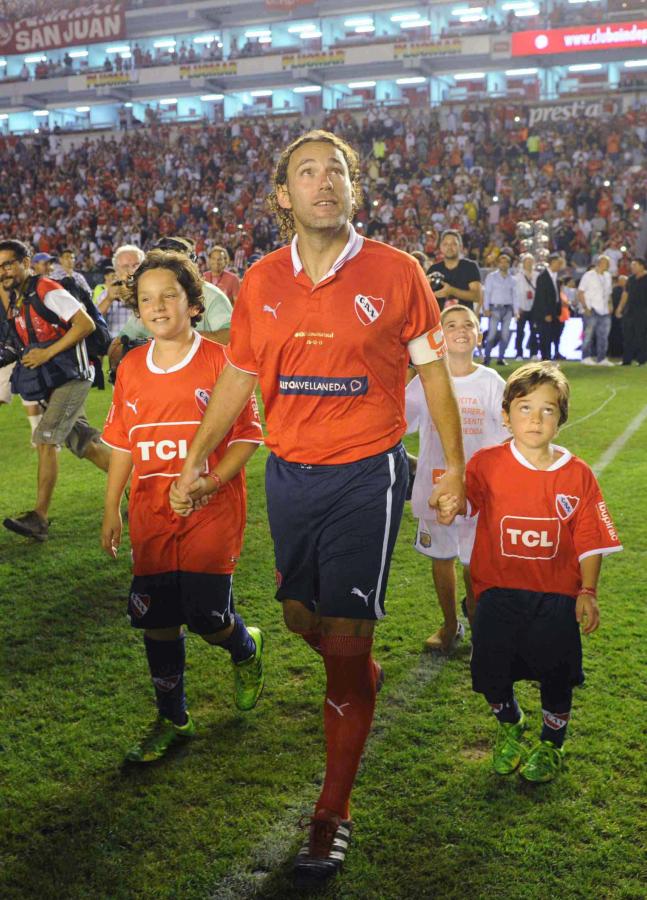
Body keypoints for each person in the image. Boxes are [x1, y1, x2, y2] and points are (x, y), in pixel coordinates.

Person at [170, 130, 465, 882]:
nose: (322, 182)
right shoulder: (260, 280)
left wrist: (451, 466)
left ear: (351, 188)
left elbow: (432, 378)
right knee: (304, 619)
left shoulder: (397, 272)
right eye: (305, 172)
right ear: (283, 195)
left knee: (342, 647)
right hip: (288, 476)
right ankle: (353, 670)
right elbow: (237, 377)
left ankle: (329, 816)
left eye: (334, 171)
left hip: (367, 476)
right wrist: (200, 452)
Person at [101, 249, 265, 764]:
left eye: (170, 295)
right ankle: (173, 717)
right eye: (146, 298)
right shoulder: (130, 366)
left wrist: (211, 481)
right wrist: (112, 509)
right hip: (151, 513)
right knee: (157, 620)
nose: (157, 306)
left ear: (194, 304)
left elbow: (248, 437)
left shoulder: (221, 362)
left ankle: (243, 645)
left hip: (210, 511)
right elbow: (123, 444)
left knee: (205, 615)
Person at [438, 363, 622, 782]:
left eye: (548, 410)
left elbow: (590, 538)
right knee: (489, 675)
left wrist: (588, 591)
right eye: (524, 408)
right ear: (505, 415)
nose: (535, 419)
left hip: (555, 598)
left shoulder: (578, 475)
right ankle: (510, 724)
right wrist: (452, 504)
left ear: (561, 418)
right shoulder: (486, 463)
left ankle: (551, 745)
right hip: (496, 593)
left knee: (556, 677)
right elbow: (468, 502)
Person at [406, 304, 508, 651]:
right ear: (439, 337)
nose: (461, 329)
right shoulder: (425, 381)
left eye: (469, 324)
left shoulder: (492, 382)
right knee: (442, 558)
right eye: (450, 325)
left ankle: (479, 620)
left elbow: (510, 433)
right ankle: (450, 625)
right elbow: (398, 423)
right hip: (436, 489)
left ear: (478, 334)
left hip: (481, 491)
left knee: (475, 563)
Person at [0, 239, 110, 542]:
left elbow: (84, 324)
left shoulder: (46, 288)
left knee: (46, 439)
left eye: (9, 264)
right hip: (54, 380)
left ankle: (39, 518)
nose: (4, 271)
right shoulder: (16, 299)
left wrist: (46, 354)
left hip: (72, 376)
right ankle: (137, 483)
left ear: (26, 262)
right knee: (84, 444)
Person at [428, 230, 482, 313]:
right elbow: (424, 297)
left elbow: (477, 296)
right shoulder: (434, 269)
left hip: (463, 319)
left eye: (454, 244)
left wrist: (451, 291)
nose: (449, 247)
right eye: (446, 244)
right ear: (441, 247)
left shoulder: (470, 267)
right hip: (439, 320)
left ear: (460, 247)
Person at [578, 256, 614, 366]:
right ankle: (586, 356)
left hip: (604, 310)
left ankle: (601, 358)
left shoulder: (608, 276)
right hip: (591, 308)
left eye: (607, 263)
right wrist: (585, 307)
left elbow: (609, 293)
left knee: (604, 335)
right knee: (588, 334)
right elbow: (580, 292)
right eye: (603, 262)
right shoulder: (589, 275)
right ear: (598, 263)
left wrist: (610, 305)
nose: (605, 265)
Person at [483, 250, 516, 367]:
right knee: (491, 335)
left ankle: (501, 358)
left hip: (508, 309)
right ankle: (487, 357)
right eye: (502, 262)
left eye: (506, 262)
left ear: (509, 264)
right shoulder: (491, 277)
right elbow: (487, 293)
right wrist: (486, 308)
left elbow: (514, 296)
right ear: (498, 264)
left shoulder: (512, 279)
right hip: (494, 308)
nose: (504, 264)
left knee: (505, 335)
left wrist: (516, 312)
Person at [531, 253, 564, 361]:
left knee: (551, 335)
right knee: (545, 337)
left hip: (554, 312)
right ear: (552, 263)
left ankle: (549, 357)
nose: (560, 265)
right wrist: (546, 314)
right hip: (545, 314)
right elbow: (541, 297)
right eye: (558, 263)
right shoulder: (543, 277)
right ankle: (546, 358)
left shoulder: (555, 277)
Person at [616, 257, 647, 366]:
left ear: (642, 266)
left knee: (641, 335)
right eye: (632, 265)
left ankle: (642, 360)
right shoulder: (631, 279)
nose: (632, 267)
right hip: (629, 311)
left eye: (635, 265)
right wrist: (620, 308)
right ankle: (626, 360)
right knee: (628, 336)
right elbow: (625, 294)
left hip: (643, 311)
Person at [513, 253, 537, 360]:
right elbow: (515, 293)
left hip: (534, 307)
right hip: (521, 308)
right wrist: (516, 308)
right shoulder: (517, 277)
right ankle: (519, 353)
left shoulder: (537, 275)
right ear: (523, 263)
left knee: (534, 331)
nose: (529, 264)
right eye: (527, 262)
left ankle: (533, 353)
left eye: (531, 262)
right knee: (520, 331)